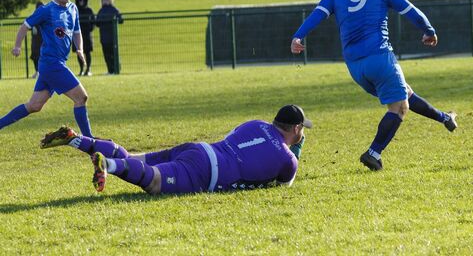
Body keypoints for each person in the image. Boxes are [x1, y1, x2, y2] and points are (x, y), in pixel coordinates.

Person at [290, 0, 457, 172]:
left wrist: (297, 37)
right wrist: (429, 31)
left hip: (355, 68)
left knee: (404, 94)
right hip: (379, 57)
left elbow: (315, 17)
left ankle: (444, 118)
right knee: (399, 107)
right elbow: (412, 11)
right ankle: (373, 153)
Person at [40, 104, 311, 194]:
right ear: (297, 129)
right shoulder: (288, 158)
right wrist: (296, 152)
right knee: (154, 181)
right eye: (302, 129)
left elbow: (230, 138)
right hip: (206, 170)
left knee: (134, 158)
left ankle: (76, 139)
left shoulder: (256, 123)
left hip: (200, 149)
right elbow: (281, 186)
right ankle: (107, 166)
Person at [0, 0, 95, 137]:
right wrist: (17, 46)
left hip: (54, 65)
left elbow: (77, 32)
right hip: (52, 64)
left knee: (34, 105)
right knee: (81, 97)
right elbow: (25, 26)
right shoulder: (46, 10)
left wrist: (79, 49)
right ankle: (90, 140)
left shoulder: (73, 9)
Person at [96, 0, 123, 74]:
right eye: (103, 0)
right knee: (106, 55)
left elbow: (121, 20)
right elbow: (97, 23)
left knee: (114, 54)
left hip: (113, 37)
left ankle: (116, 69)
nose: (104, 1)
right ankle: (110, 70)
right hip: (104, 37)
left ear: (110, 0)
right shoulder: (101, 11)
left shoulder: (114, 10)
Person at [73, 0, 95, 76]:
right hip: (77, 35)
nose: (82, 2)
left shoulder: (89, 10)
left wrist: (90, 28)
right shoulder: (75, 10)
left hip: (87, 34)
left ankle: (88, 69)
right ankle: (81, 69)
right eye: (80, 0)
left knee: (87, 52)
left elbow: (93, 21)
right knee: (79, 52)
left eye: (83, 0)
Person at [30, 1, 45, 79]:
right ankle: (37, 71)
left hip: (44, 41)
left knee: (42, 57)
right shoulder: (34, 16)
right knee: (35, 56)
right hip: (35, 41)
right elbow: (27, 25)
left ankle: (42, 72)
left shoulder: (46, 16)